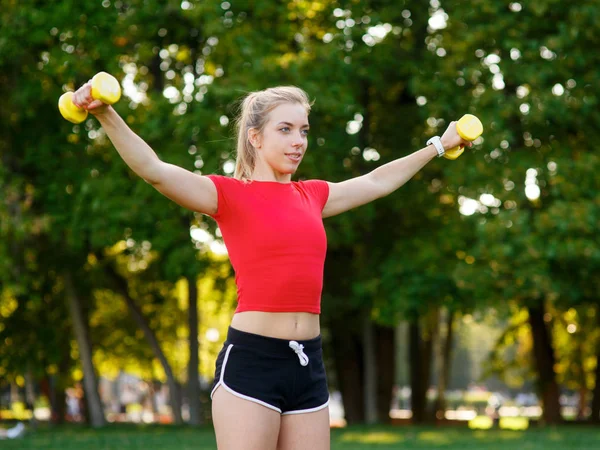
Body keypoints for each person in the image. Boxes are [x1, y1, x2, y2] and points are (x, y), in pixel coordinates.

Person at [71, 83, 472, 449]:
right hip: (253, 364)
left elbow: (377, 181)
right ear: (255, 138)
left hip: (307, 365)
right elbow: (154, 170)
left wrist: (439, 146)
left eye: (304, 130)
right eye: (286, 130)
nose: (298, 141)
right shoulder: (228, 196)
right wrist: (105, 112)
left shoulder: (312, 195)